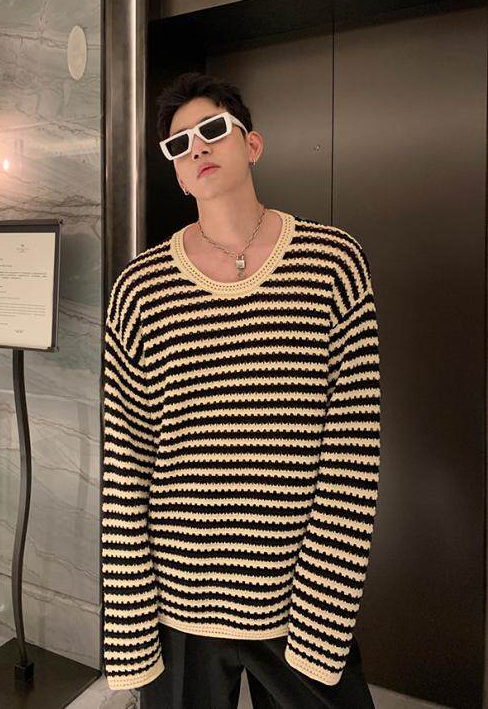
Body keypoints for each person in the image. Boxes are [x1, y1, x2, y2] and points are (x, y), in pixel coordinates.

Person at [101, 71, 380, 708]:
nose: (196, 148)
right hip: (178, 607)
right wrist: (131, 630)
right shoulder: (139, 290)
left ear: (251, 144)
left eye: (212, 130)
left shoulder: (332, 265)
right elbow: (127, 463)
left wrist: (323, 614)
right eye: (178, 145)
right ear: (176, 174)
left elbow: (352, 453)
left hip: (299, 605)